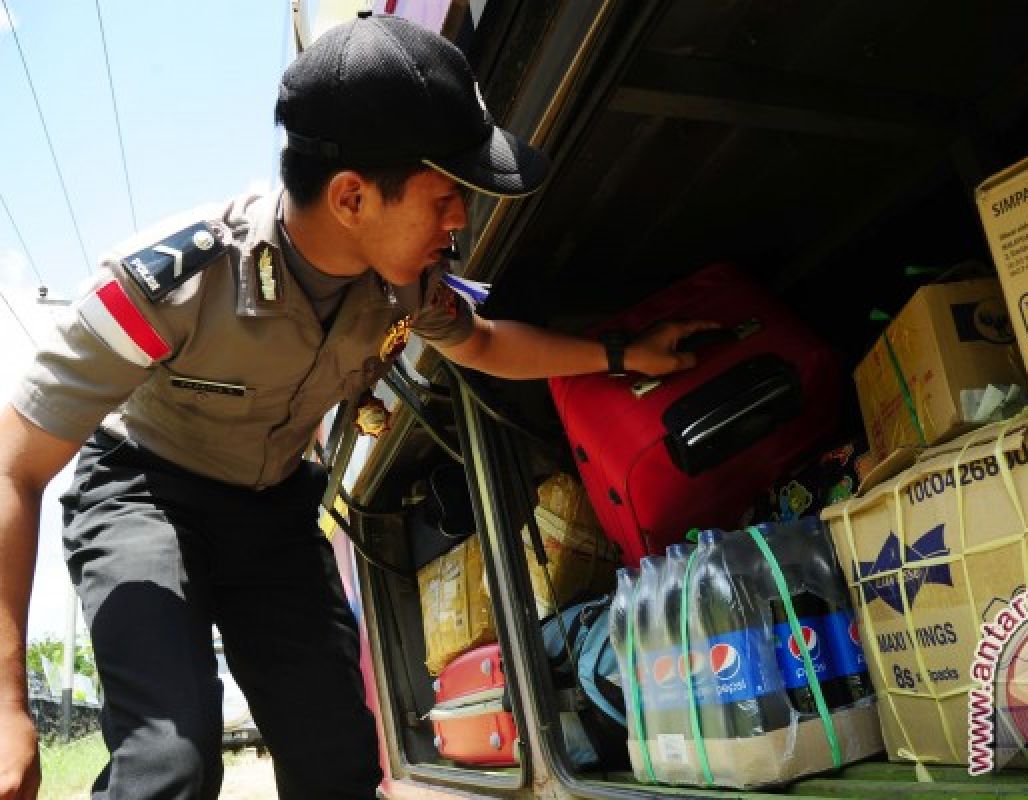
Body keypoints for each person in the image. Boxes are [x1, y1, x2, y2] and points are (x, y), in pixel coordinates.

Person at [0, 14, 715, 800]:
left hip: (271, 513)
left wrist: (621, 355)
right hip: (145, 494)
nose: (461, 220)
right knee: (167, 766)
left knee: (340, 764)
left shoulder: (402, 282)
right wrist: (5, 706)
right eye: (446, 196)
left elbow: (481, 344)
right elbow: (14, 468)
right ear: (351, 197)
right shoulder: (171, 284)